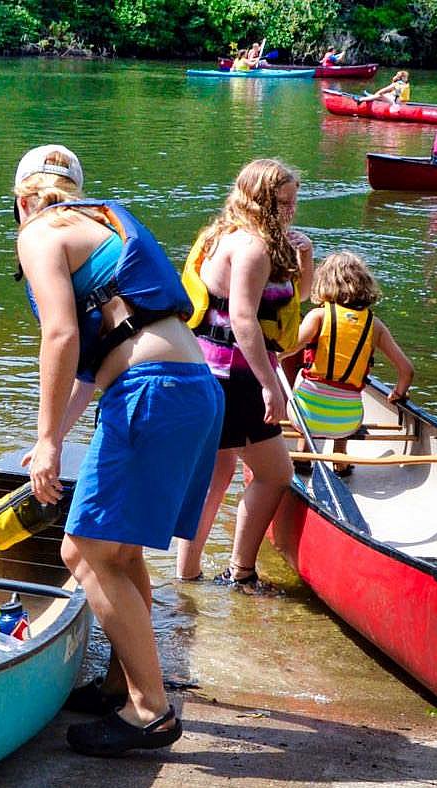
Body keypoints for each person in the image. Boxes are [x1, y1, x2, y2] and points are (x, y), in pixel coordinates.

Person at [11, 145, 221, 756]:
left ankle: (150, 712)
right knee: (120, 548)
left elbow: (60, 335)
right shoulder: (99, 221)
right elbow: (99, 361)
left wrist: (49, 440)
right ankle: (122, 683)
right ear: (74, 188)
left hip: (152, 393)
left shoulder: (37, 234)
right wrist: (52, 433)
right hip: (190, 387)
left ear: (23, 199)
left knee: (83, 550)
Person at [171, 159, 309, 588]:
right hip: (236, 377)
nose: (292, 211)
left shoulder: (228, 236)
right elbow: (245, 320)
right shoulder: (253, 248)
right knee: (275, 475)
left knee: (216, 475)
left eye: (294, 202)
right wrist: (271, 386)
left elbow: (293, 299)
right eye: (284, 203)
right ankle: (242, 572)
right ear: (262, 202)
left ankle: (187, 575)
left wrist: (305, 255)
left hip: (208, 371)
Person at [290, 252, 414, 473]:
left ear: (324, 282)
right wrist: (398, 393)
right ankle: (340, 459)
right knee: (349, 391)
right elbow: (407, 371)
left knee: (302, 375)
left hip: (306, 416)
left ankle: (302, 454)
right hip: (347, 420)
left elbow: (289, 348)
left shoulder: (318, 316)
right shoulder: (375, 326)